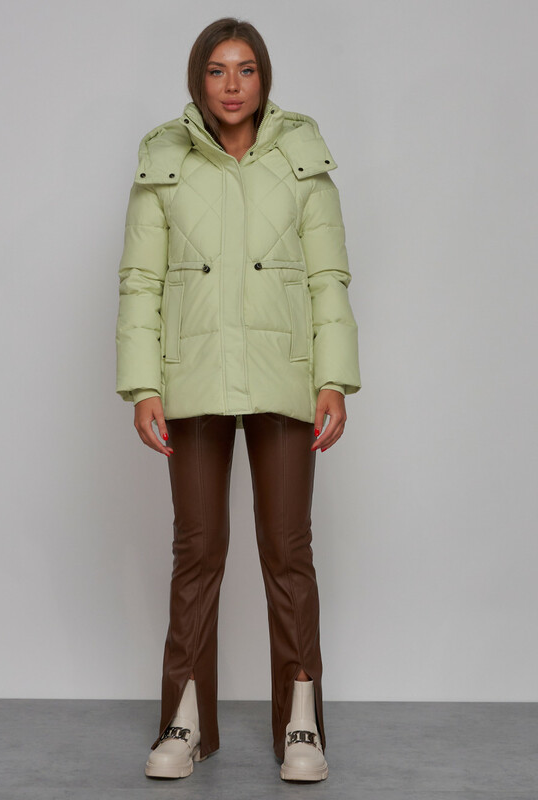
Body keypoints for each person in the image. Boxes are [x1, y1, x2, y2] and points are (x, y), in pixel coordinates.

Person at [115, 17, 361, 783]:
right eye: (217, 70)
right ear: (199, 78)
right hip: (191, 381)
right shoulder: (164, 159)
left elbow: (327, 278)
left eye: (245, 69)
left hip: (284, 376)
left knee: (288, 551)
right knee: (197, 551)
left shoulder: (301, 156)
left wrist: (333, 378)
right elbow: (141, 283)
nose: (231, 85)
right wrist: (143, 385)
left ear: (264, 78)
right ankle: (184, 722)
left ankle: (300, 724)